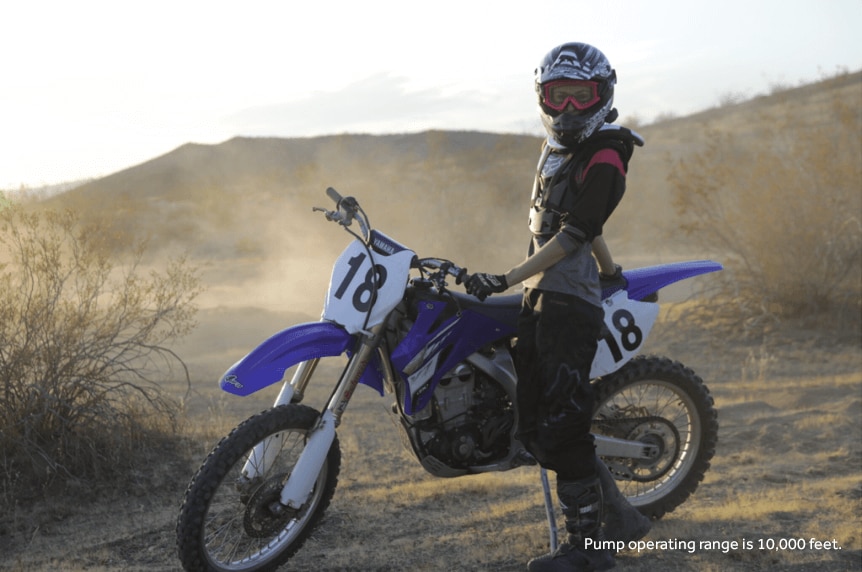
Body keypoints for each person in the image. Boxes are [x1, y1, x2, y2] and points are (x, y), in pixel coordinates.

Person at [465, 42, 650, 571]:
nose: (568, 109)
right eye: (558, 96)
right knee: (535, 423)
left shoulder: (609, 155)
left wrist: (504, 278)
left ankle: (588, 554)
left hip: (568, 305)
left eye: (580, 97)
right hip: (542, 297)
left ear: (602, 95)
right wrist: (612, 272)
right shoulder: (561, 154)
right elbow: (587, 231)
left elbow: (574, 235)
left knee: (564, 426)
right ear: (543, 96)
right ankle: (624, 518)